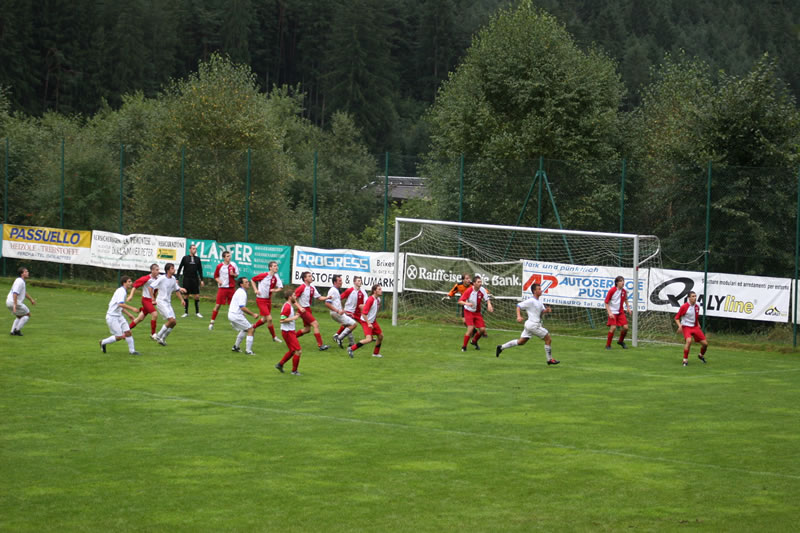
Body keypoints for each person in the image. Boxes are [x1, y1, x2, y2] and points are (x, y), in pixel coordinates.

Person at [495, 283, 559, 365]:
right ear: (534, 291)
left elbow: (541, 312)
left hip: (530, 324)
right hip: (533, 325)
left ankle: (501, 347)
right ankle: (549, 359)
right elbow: (518, 305)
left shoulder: (539, 302)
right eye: (539, 289)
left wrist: (546, 311)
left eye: (540, 288)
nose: (541, 290)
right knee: (548, 339)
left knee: (521, 342)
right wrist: (518, 316)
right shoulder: (531, 301)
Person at [99, 276, 141, 355]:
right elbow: (120, 304)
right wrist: (132, 309)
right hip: (112, 316)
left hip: (119, 315)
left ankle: (132, 351)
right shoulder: (121, 291)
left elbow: (119, 306)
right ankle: (103, 342)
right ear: (124, 283)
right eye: (129, 281)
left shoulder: (123, 291)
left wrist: (129, 315)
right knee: (119, 336)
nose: (131, 283)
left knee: (128, 332)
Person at [150, 263, 187, 346]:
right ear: (168, 270)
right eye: (172, 268)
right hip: (161, 301)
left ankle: (162, 339)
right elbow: (151, 287)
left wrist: (182, 300)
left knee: (174, 323)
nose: (174, 270)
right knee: (171, 320)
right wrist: (152, 298)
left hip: (168, 302)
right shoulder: (162, 278)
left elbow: (177, 290)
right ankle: (158, 335)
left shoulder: (173, 279)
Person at [293, 271, 330, 351]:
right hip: (303, 310)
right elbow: (293, 299)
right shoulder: (301, 287)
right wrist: (299, 307)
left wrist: (328, 297)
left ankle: (292, 338)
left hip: (308, 309)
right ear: (305, 278)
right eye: (309, 276)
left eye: (311, 276)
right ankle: (321, 345)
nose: (311, 277)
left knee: (307, 329)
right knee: (315, 324)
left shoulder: (312, 287)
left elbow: (319, 298)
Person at [347, 284, 384, 358]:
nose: (381, 290)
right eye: (379, 289)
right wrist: (369, 323)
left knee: (380, 336)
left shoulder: (377, 299)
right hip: (366, 322)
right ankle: (351, 348)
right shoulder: (371, 299)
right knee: (368, 339)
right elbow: (364, 314)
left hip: (373, 321)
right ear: (374, 291)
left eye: (381, 289)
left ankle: (375, 354)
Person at [251, 261, 284, 343]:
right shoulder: (264, 275)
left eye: (277, 266)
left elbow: (280, 287)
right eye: (275, 266)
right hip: (261, 300)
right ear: (270, 268)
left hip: (268, 300)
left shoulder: (276, 276)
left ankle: (253, 327)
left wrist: (275, 290)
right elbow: (252, 280)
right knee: (269, 318)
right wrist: (255, 290)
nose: (277, 267)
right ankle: (274, 337)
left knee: (265, 319)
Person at [458, 275, 493, 351]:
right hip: (468, 312)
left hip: (477, 312)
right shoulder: (469, 291)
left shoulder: (482, 290)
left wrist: (489, 304)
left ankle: (474, 341)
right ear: (474, 283)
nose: (480, 283)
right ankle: (464, 347)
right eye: (478, 282)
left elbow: (487, 299)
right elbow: (460, 301)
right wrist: (467, 304)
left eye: (481, 282)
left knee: (482, 330)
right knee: (470, 329)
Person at [674, 291, 708, 366]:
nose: (694, 298)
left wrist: (698, 323)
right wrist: (680, 326)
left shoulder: (697, 305)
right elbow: (676, 318)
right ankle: (685, 360)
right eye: (692, 296)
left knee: (705, 344)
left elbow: (695, 316)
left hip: (695, 327)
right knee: (689, 341)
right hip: (686, 327)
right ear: (688, 298)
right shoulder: (684, 307)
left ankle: (700, 355)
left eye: (695, 296)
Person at [325, 274, 358, 349]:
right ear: (335, 282)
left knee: (348, 325)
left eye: (341, 281)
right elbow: (327, 303)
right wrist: (337, 311)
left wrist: (346, 313)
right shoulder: (332, 291)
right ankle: (339, 338)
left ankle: (351, 343)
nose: (341, 282)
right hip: (335, 313)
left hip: (337, 313)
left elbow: (337, 304)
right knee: (354, 324)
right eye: (339, 281)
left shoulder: (336, 290)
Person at [275, 288, 303, 375]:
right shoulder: (287, 306)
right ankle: (294, 371)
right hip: (288, 332)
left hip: (288, 331)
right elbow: (282, 320)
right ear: (290, 297)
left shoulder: (289, 305)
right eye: (294, 295)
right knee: (298, 351)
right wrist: (294, 318)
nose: (296, 297)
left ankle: (280, 364)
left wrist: (295, 316)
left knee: (292, 350)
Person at [127, 263, 160, 336]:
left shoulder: (159, 278)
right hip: (145, 300)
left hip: (150, 301)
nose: (158, 271)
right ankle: (153, 334)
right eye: (157, 270)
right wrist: (130, 296)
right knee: (155, 314)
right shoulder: (146, 278)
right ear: (152, 270)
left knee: (140, 318)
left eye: (158, 270)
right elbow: (135, 286)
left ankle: (125, 330)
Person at [228, 276, 259, 355]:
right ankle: (248, 351)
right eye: (246, 282)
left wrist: (242, 313)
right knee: (251, 329)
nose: (248, 283)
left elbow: (237, 305)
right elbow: (242, 307)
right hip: (235, 315)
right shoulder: (242, 293)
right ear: (241, 284)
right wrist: (253, 314)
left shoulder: (239, 291)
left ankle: (235, 347)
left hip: (232, 314)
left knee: (245, 329)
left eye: (248, 282)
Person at [209, 251, 238, 330]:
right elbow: (215, 276)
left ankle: (234, 324)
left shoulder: (234, 265)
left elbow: (237, 275)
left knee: (233, 307)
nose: (229, 257)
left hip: (231, 288)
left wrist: (234, 275)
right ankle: (211, 323)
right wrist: (219, 281)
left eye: (230, 256)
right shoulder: (219, 266)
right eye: (228, 256)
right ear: (224, 257)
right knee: (218, 305)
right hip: (222, 288)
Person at [337, 275, 368, 347]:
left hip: (357, 313)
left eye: (360, 280)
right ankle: (348, 341)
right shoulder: (350, 290)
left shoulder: (363, 291)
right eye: (358, 281)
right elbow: (340, 298)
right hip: (349, 311)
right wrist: (340, 308)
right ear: (354, 282)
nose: (360, 282)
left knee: (364, 323)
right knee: (350, 325)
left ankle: (368, 336)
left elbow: (366, 301)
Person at [177, 243, 205, 318]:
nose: (194, 250)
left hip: (195, 279)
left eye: (195, 249)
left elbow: (200, 270)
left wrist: (201, 280)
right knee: (186, 295)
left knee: (196, 296)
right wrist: (177, 278)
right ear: (190, 250)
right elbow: (180, 268)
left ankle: (197, 312)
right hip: (186, 279)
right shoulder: (185, 258)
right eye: (193, 248)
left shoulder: (198, 259)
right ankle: (186, 312)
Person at [604, 275, 631, 349]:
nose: (623, 282)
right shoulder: (612, 290)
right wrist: (610, 313)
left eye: (623, 281)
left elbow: (625, 299)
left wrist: (628, 307)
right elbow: (606, 302)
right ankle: (608, 345)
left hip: (620, 312)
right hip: (613, 312)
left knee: (626, 327)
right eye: (621, 281)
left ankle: (620, 341)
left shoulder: (624, 291)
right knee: (613, 328)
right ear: (616, 283)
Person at [7, 266, 35, 336]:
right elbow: (15, 293)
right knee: (28, 314)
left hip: (9, 301)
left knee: (19, 316)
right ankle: (17, 330)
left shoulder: (20, 281)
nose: (28, 273)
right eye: (26, 272)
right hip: (14, 302)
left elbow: (23, 292)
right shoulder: (20, 282)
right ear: (22, 274)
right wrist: (15, 305)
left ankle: (12, 331)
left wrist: (31, 299)